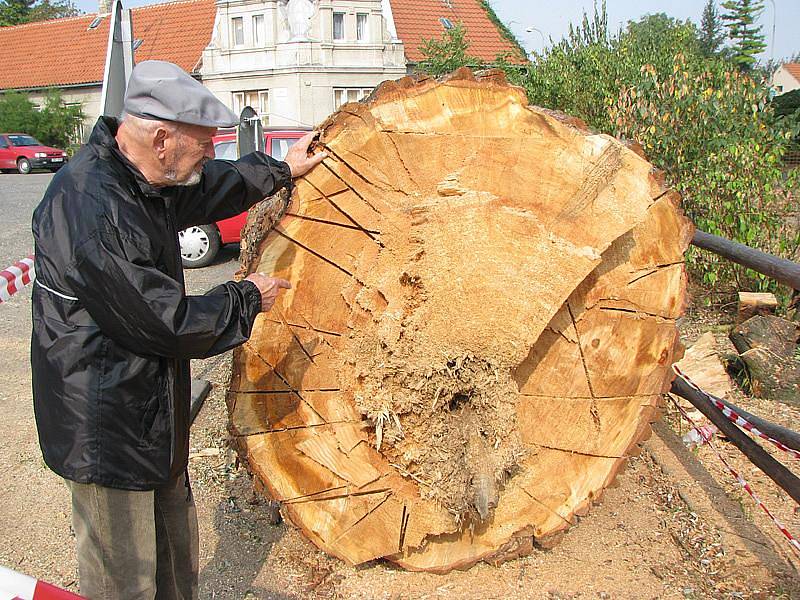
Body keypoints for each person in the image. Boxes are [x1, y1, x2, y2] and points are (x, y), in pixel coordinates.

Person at [30, 60, 326, 599]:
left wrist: (281, 169)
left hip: (150, 414)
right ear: (162, 138)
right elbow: (163, 321)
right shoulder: (91, 206)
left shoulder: (146, 178)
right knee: (125, 581)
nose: (211, 153)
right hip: (106, 425)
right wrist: (246, 297)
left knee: (175, 568)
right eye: (204, 143)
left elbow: (213, 185)